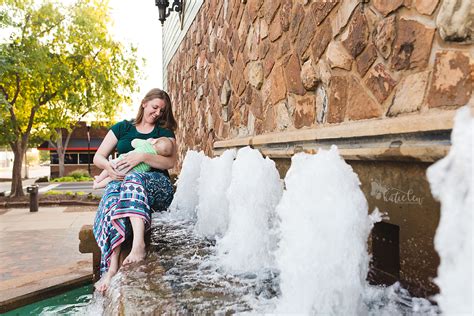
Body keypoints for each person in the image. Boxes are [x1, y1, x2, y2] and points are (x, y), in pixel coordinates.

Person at [92, 88, 177, 294]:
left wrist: (143, 157)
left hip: (157, 185)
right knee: (112, 198)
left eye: (161, 111)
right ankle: (110, 268)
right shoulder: (122, 128)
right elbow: (99, 157)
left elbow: (171, 161)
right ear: (144, 103)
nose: (157, 113)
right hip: (119, 180)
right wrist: (109, 169)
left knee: (133, 177)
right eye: (155, 107)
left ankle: (138, 245)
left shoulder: (163, 133)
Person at [92, 137, 174, 189]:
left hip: (122, 160)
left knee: (109, 167)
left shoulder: (146, 144)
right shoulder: (154, 159)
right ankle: (97, 186)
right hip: (130, 172)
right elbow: (145, 169)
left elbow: (133, 142)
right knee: (112, 179)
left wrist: (147, 140)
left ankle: (99, 179)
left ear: (154, 141)